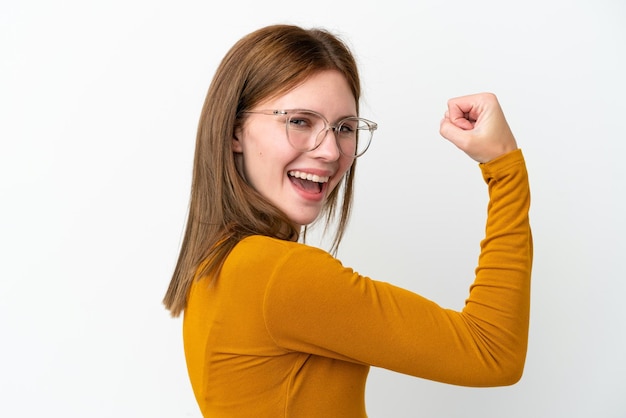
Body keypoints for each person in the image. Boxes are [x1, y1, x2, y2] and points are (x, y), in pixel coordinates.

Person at [163, 24, 533, 417]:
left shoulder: (219, 262)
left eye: (344, 128)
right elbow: (492, 351)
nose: (329, 151)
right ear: (236, 130)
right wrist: (504, 166)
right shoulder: (277, 274)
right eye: (299, 120)